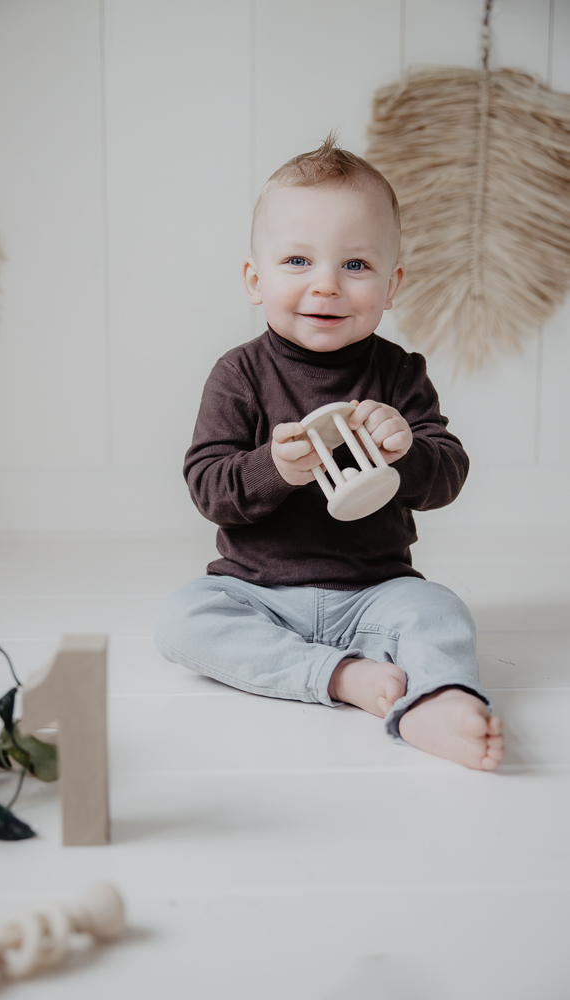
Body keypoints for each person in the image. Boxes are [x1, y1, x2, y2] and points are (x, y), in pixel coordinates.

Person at [154, 135, 504, 771]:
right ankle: (340, 676)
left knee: (441, 613)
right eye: (297, 261)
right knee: (182, 620)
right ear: (254, 280)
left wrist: (407, 452)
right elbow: (208, 485)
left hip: (375, 591)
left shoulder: (399, 374)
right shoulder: (238, 375)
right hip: (258, 592)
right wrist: (274, 467)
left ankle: (437, 700)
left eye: (355, 266)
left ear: (392, 283)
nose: (326, 286)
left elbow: (448, 472)